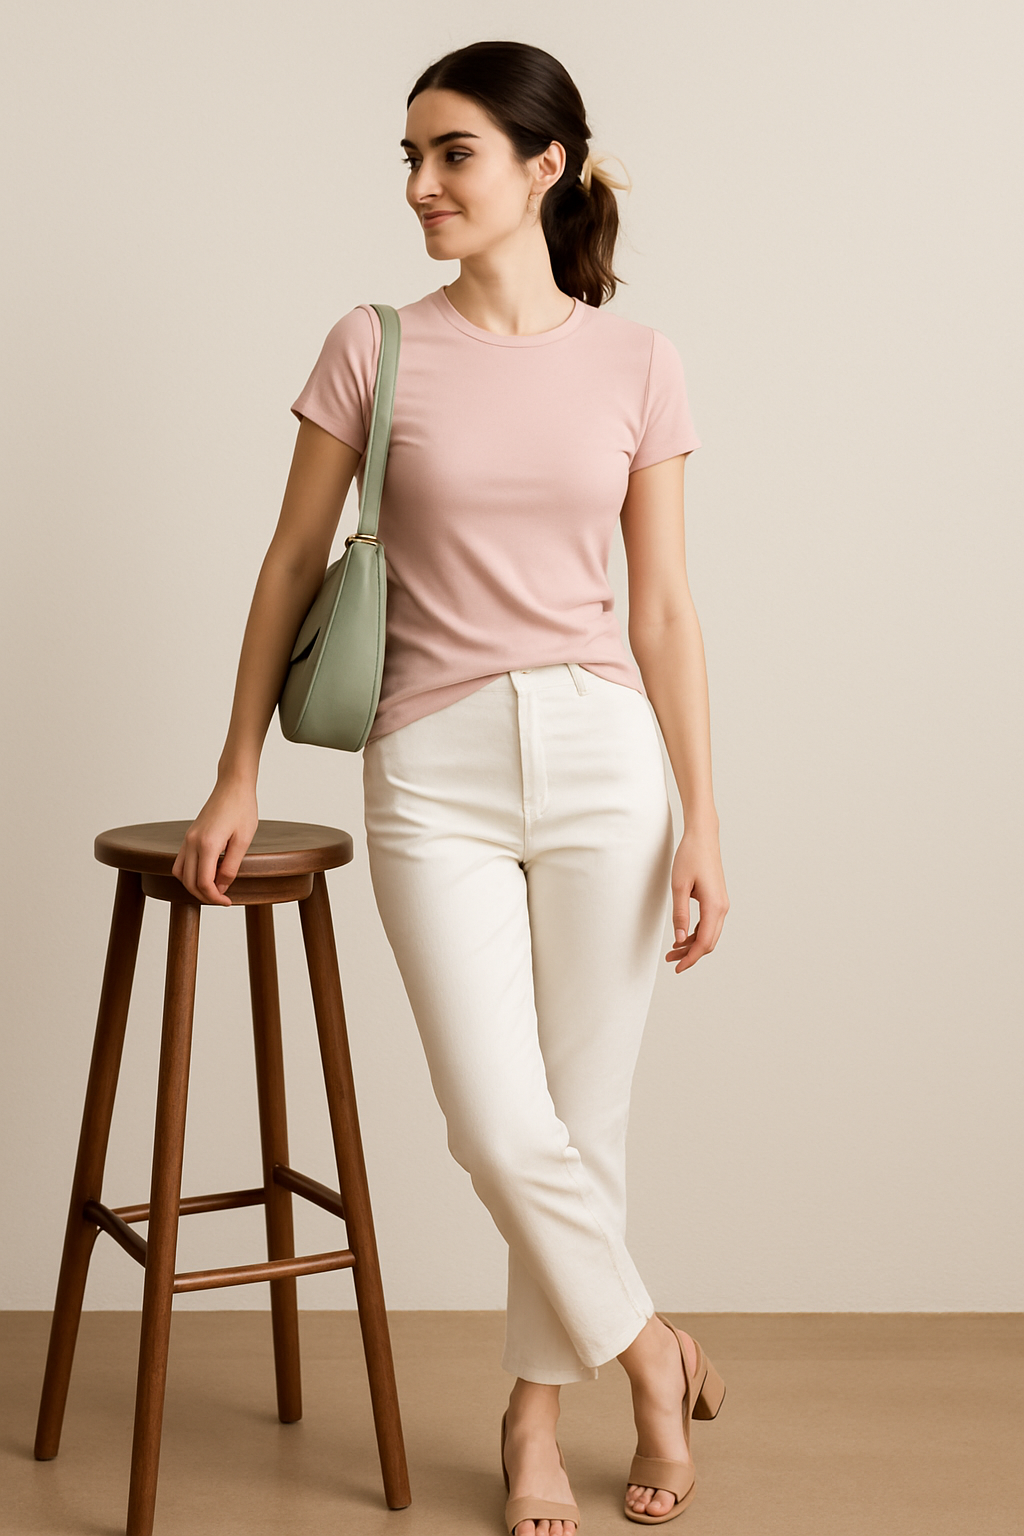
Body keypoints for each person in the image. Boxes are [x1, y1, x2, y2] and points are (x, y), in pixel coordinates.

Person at [172, 38, 730, 1536]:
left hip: (609, 763)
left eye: (454, 155)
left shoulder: (639, 359)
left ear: (545, 168)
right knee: (497, 1124)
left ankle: (534, 1426)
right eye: (410, 159)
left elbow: (664, 607)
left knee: (580, 1121)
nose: (421, 185)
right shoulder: (373, 344)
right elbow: (292, 566)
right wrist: (237, 769)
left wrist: (706, 821)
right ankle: (650, 1353)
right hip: (434, 762)